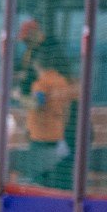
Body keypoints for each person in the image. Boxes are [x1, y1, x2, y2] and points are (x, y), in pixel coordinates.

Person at [24, 46, 79, 189]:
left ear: (36, 64)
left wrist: (19, 98)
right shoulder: (62, 82)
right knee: (57, 181)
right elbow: (67, 110)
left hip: (40, 139)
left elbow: (37, 103)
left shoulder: (41, 84)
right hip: (58, 137)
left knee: (39, 182)